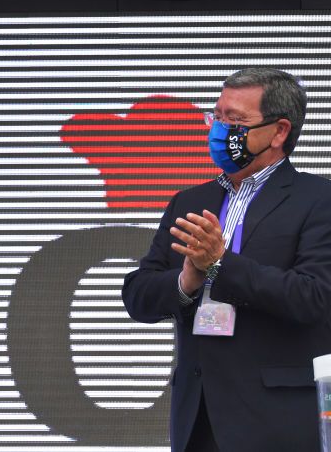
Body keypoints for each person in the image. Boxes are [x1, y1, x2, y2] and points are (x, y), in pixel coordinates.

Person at [122, 67, 331, 451]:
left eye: (235, 121)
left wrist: (220, 263)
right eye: (216, 117)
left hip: (278, 423)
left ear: (280, 131)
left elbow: (314, 298)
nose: (220, 130)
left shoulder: (318, 200)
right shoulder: (189, 201)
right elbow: (138, 295)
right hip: (198, 417)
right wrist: (187, 280)